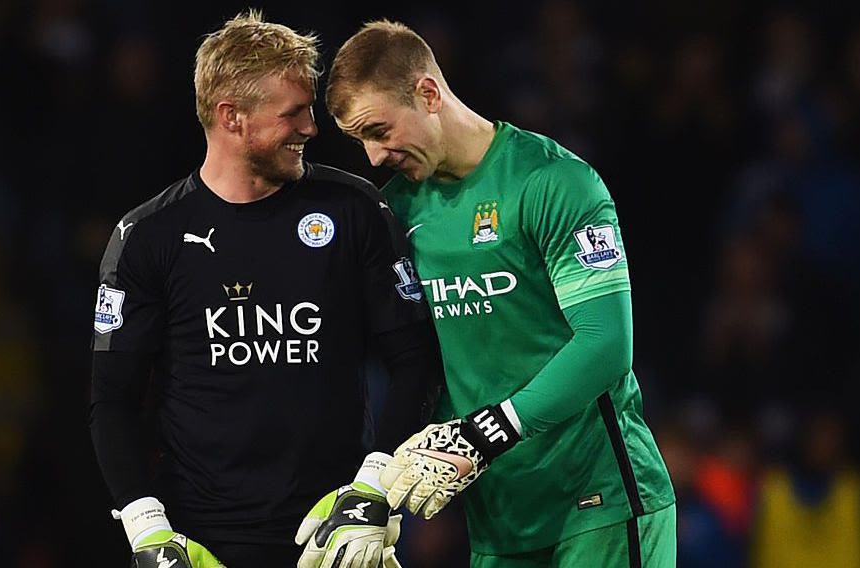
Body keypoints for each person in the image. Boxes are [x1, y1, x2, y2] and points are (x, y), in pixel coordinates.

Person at [89, 12, 442, 568]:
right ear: (231, 117)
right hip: (206, 543)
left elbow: (415, 358)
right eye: (292, 114)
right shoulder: (147, 237)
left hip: (336, 538)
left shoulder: (354, 211)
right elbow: (112, 400)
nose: (311, 128)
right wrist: (146, 529)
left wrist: (372, 487)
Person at [326, 21, 676, 568]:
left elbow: (607, 343)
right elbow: (415, 362)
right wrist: (380, 492)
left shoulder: (553, 183)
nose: (373, 157)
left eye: (379, 130)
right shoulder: (395, 212)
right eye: (360, 140)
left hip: (598, 502)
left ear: (428, 92)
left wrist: (488, 432)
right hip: (500, 519)